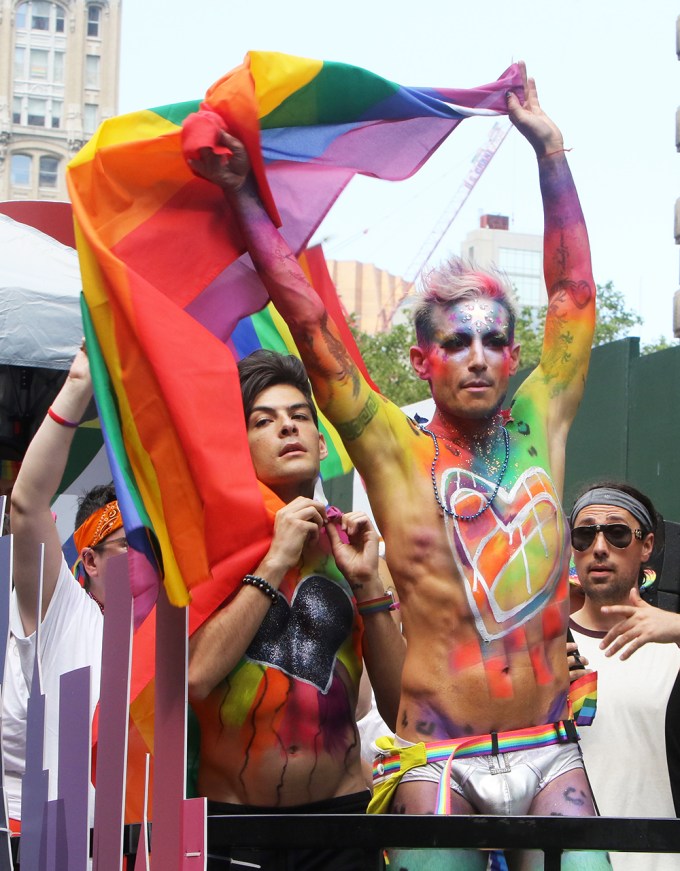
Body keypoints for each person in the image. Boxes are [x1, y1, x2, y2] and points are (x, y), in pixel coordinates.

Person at [188, 62, 608, 869]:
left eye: (493, 340)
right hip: (437, 756)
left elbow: (574, 294)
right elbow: (309, 327)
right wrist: (244, 195)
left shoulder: (543, 410)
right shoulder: (390, 445)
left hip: (550, 744)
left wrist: (551, 155)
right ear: (421, 359)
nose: (478, 357)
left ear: (516, 353)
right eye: (456, 341)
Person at [187, 349, 404, 871]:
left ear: (322, 442)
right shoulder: (208, 549)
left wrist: (369, 585)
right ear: (240, 450)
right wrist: (275, 558)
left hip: (341, 826)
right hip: (232, 831)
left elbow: (400, 714)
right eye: (265, 421)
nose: (288, 428)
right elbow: (193, 677)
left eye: (300, 417)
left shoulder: (357, 549)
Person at [4, 346, 126, 827]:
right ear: (90, 560)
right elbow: (28, 504)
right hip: (53, 847)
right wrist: (78, 384)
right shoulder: (66, 614)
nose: (145, 563)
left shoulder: (175, 632)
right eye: (127, 546)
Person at [569, 482, 680, 871]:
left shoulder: (673, 643)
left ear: (646, 545)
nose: (599, 548)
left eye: (616, 533)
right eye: (584, 535)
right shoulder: (544, 649)